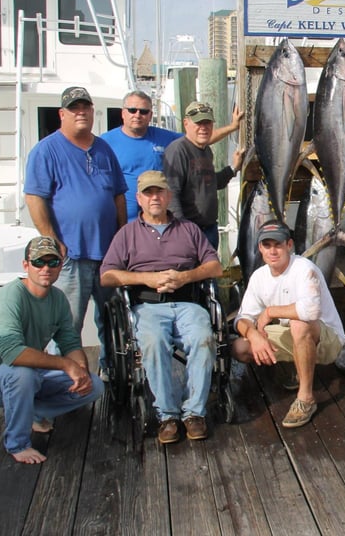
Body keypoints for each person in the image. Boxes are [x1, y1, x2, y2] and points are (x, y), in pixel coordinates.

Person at [100, 171, 223, 444]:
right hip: (148, 305)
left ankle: (194, 413)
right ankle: (167, 415)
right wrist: (147, 278)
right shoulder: (127, 234)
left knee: (203, 339)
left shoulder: (189, 229)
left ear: (168, 196)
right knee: (153, 343)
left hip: (188, 301)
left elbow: (215, 266)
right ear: (139, 199)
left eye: (159, 192)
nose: (154, 198)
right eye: (148, 193)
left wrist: (184, 277)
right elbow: (107, 275)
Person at [0, 236, 104, 464]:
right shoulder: (10, 296)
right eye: (38, 262)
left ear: (60, 266)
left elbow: (70, 342)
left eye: (53, 263)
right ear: (26, 265)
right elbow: (13, 354)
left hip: (33, 374)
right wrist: (66, 364)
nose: (46, 268)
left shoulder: (58, 299)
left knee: (95, 386)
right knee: (22, 375)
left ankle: (32, 412)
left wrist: (80, 370)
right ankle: (17, 443)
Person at [24, 86, 127, 374]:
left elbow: (118, 194)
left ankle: (112, 370)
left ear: (93, 111)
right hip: (71, 257)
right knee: (68, 325)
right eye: (74, 108)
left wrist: (122, 236)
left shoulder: (104, 148)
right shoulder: (46, 150)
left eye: (85, 107)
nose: (80, 112)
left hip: (108, 255)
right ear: (62, 114)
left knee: (113, 320)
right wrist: (53, 240)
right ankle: (63, 378)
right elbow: (34, 197)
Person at [232, 219, 345, 428]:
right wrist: (253, 335)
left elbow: (310, 311)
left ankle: (306, 399)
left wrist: (270, 311)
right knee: (240, 348)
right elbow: (242, 317)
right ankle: (299, 368)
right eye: (267, 245)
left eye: (278, 244)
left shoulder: (304, 268)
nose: (272, 251)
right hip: (295, 335)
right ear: (259, 248)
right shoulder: (259, 276)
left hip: (328, 340)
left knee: (299, 325)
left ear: (289, 245)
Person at [101, 90, 245, 222]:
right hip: (127, 222)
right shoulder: (106, 142)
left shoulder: (164, 137)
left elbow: (198, 137)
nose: (137, 115)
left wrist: (232, 127)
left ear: (151, 115)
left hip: (160, 220)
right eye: (132, 110)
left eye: (144, 111)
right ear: (123, 113)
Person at [163, 101, 245, 249]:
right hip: (190, 231)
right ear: (186, 123)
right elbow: (171, 193)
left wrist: (234, 168)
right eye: (198, 123)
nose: (203, 128)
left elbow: (212, 182)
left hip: (209, 229)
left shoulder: (206, 150)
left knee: (210, 271)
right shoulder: (178, 150)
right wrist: (181, 231)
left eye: (207, 123)